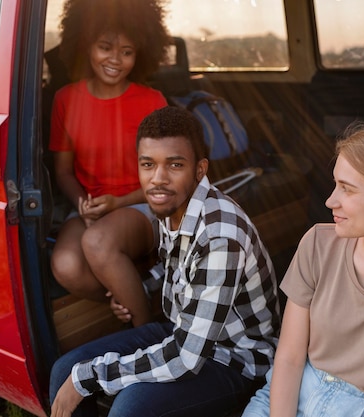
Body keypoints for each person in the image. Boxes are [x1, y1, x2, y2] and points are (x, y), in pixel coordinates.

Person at [49, 106, 281, 417]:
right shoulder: (172, 206)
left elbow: (185, 358)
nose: (158, 180)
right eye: (148, 165)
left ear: (199, 170)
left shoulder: (220, 236)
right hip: (182, 331)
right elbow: (181, 271)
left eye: (174, 165)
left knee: (130, 408)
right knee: (64, 370)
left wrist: (89, 378)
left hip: (235, 359)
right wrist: (139, 290)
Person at [242, 122, 364, 417]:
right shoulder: (318, 243)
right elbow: (290, 358)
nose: (331, 201)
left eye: (347, 189)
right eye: (335, 184)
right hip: (287, 393)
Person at [49, 0, 170, 327]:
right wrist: (83, 203)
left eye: (127, 51)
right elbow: (62, 171)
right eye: (105, 47)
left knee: (97, 242)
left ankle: (147, 336)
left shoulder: (151, 101)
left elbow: (166, 180)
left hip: (143, 205)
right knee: (66, 265)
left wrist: (118, 202)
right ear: (85, 44)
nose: (115, 60)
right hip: (91, 207)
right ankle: (131, 294)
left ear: (140, 54)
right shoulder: (65, 100)